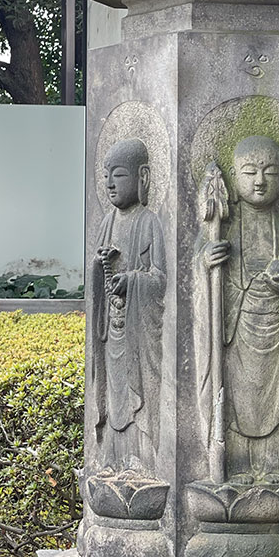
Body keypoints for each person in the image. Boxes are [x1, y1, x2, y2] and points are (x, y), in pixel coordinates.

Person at [196, 135, 279, 480]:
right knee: (233, 401)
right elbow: (197, 279)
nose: (260, 181)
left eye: (269, 172)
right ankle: (237, 466)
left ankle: (277, 466)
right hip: (235, 331)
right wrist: (205, 263)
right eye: (250, 172)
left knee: (278, 400)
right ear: (234, 178)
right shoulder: (224, 226)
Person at [90, 137, 165, 474]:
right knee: (111, 394)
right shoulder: (107, 223)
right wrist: (99, 265)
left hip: (137, 330)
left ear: (143, 177)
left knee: (137, 395)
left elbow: (160, 278)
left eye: (118, 175)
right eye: (106, 175)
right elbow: (96, 275)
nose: (109, 183)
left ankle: (138, 459)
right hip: (112, 329)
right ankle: (112, 458)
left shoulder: (148, 222)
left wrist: (132, 280)